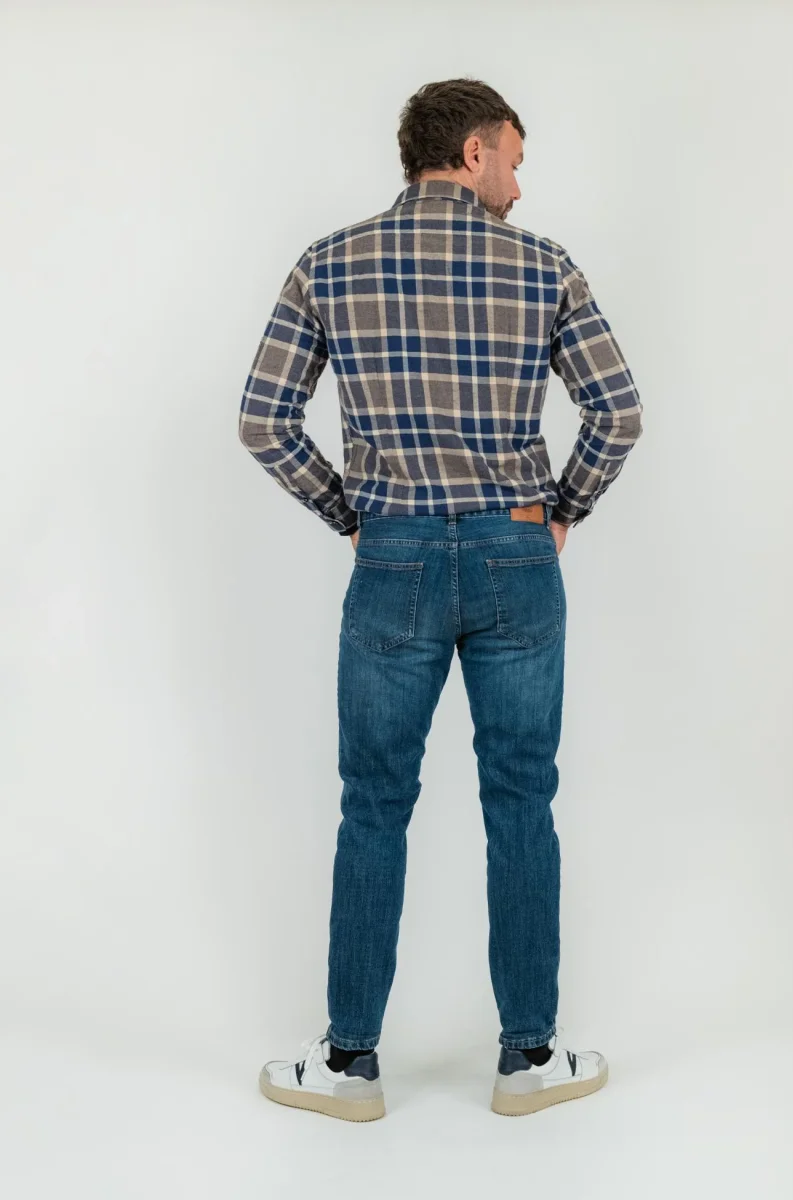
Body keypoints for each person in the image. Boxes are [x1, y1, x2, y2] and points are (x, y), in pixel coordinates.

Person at [238, 77, 643, 1121]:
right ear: (472, 151)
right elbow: (617, 411)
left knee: (373, 803)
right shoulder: (543, 265)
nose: (519, 180)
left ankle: (349, 1067)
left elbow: (263, 420)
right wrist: (560, 511)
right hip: (516, 552)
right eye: (513, 156)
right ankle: (528, 1060)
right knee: (521, 799)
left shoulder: (328, 262)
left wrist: (352, 513)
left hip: (395, 557)